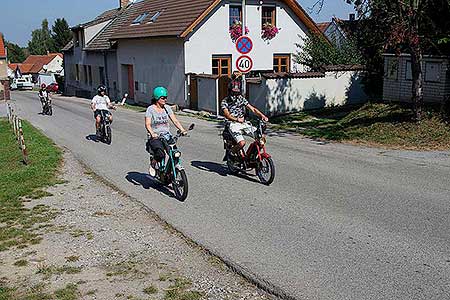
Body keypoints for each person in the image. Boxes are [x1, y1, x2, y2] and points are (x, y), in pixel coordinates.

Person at [221, 71, 269, 157]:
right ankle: (231, 154)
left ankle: (252, 157)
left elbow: (252, 109)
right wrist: (236, 119)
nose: (235, 94)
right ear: (230, 91)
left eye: (237, 92)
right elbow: (227, 115)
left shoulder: (241, 99)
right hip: (232, 124)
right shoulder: (225, 101)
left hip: (243, 123)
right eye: (233, 92)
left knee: (261, 139)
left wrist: (262, 115)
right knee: (242, 143)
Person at [145, 86, 187, 176]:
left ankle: (172, 171)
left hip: (166, 135)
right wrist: (152, 133)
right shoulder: (150, 109)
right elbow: (148, 124)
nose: (165, 99)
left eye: (166, 97)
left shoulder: (167, 108)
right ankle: (153, 163)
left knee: (175, 153)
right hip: (156, 137)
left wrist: (182, 129)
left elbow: (174, 120)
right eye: (163, 98)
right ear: (157, 98)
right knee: (161, 154)